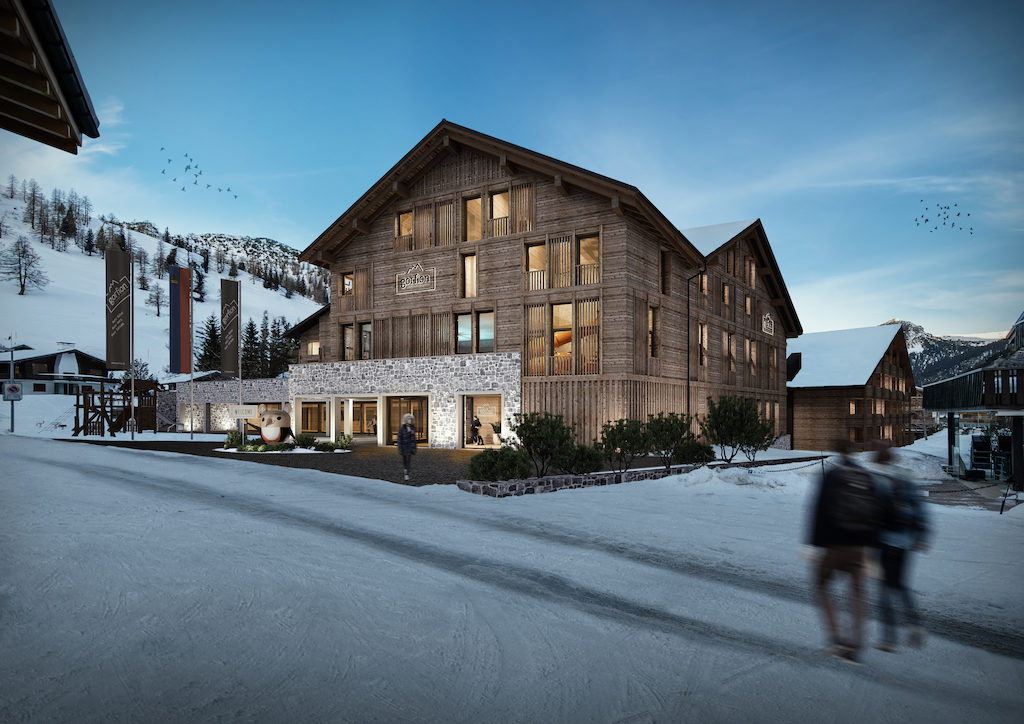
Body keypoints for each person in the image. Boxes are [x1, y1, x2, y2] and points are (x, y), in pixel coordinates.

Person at [807, 439, 884, 665]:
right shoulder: (867, 476)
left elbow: (819, 510)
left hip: (834, 544)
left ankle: (837, 639)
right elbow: (876, 514)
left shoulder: (833, 475)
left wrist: (814, 545)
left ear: (839, 453)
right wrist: (872, 548)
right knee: (858, 593)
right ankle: (855, 645)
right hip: (859, 547)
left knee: (821, 583)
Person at [871, 440, 930, 653]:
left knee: (884, 588)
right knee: (900, 583)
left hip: (883, 540)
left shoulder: (876, 478)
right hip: (904, 540)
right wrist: (922, 535)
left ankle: (889, 639)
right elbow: (919, 507)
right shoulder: (905, 476)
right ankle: (915, 623)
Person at [397, 413, 416, 481]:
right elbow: (399, 439)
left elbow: (414, 439)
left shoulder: (412, 428)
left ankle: (407, 473)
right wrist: (400, 448)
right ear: (405, 420)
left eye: (411, 419)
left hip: (410, 447)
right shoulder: (401, 429)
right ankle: (405, 470)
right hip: (404, 447)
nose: (410, 420)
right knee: (405, 460)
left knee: (408, 460)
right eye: (409, 419)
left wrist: (414, 448)